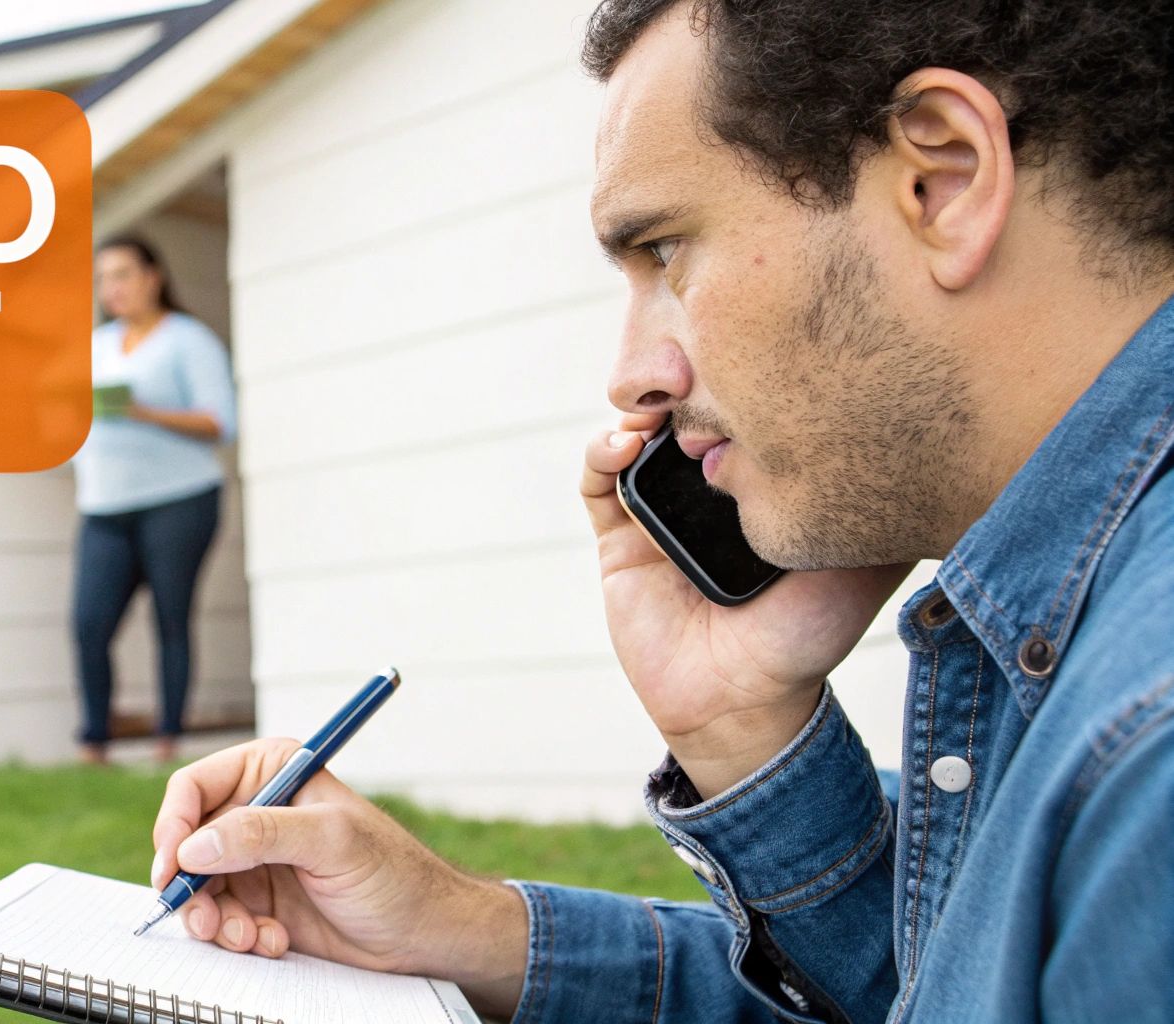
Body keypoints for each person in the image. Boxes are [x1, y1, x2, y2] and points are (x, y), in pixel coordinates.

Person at [144, 1, 1174, 1020]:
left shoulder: (1145, 757)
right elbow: (927, 995)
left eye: (663, 252)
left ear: (940, 180)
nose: (632, 376)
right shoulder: (1076, 639)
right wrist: (734, 730)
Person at [71, 236, 237, 766]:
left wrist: (143, 412)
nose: (111, 288)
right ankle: (94, 740)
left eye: (121, 274)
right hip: (103, 505)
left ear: (152, 277)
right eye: (103, 279)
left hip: (179, 499)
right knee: (88, 623)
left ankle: (170, 739)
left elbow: (220, 423)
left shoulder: (188, 340)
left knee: (170, 618)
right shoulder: (95, 346)